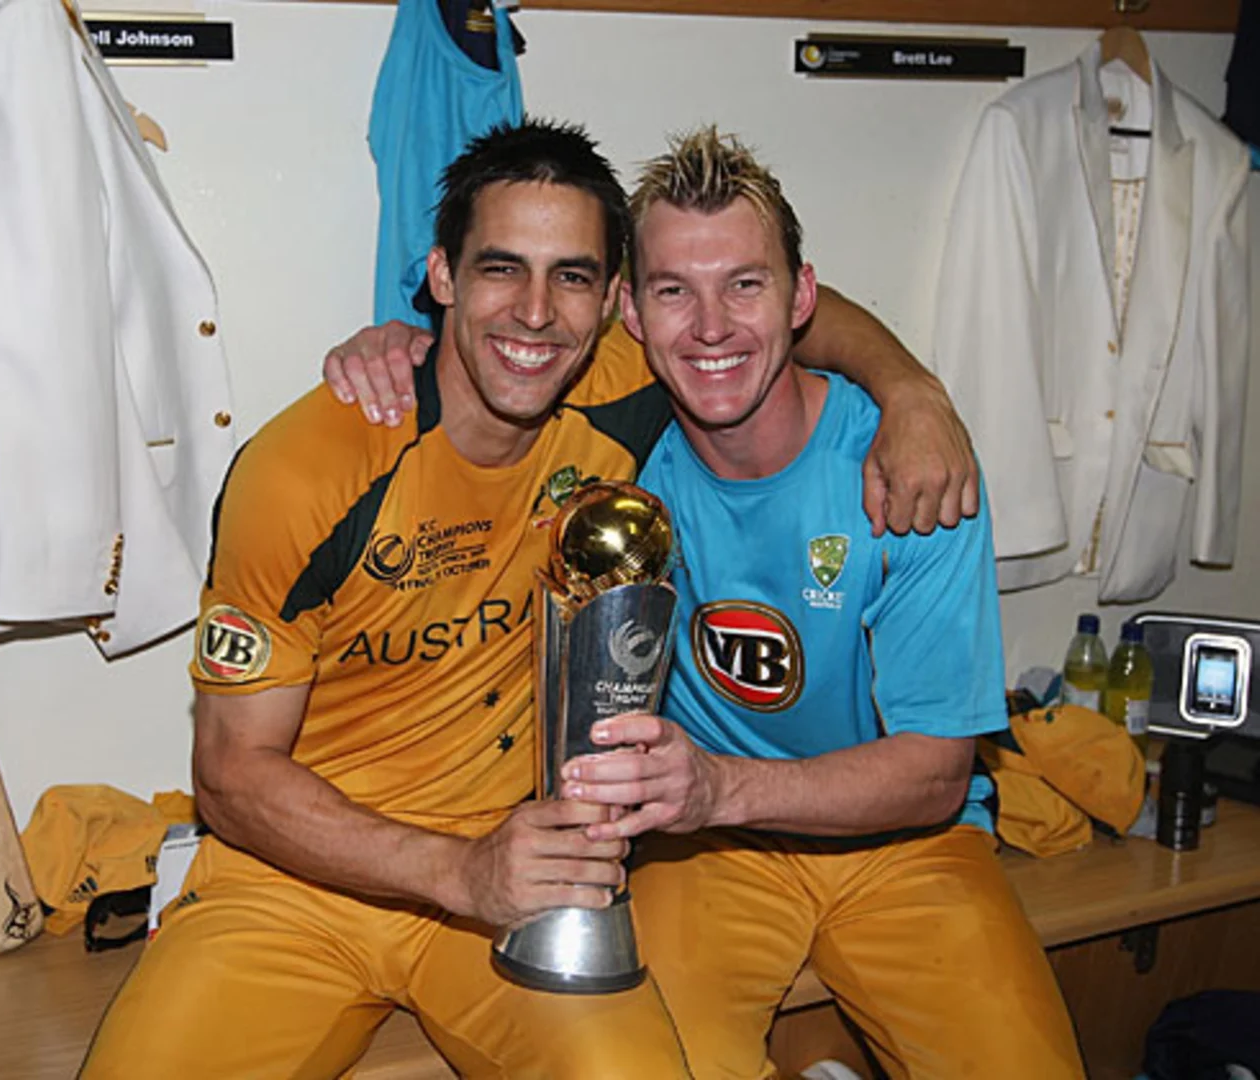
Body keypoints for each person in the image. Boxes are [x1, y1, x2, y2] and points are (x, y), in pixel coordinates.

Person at [84, 119, 976, 1079]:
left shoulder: (622, 384)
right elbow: (229, 774)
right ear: (441, 277)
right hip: (295, 884)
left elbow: (767, 304)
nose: (538, 314)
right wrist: (455, 873)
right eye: (502, 269)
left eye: (574, 277)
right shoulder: (303, 472)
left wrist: (913, 388)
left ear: (615, 305)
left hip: (525, 869)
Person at [554, 128, 1087, 1078]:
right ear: (630, 312)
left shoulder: (908, 468)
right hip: (707, 852)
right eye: (675, 290)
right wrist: (389, 351)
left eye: (746, 285)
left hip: (905, 843)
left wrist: (912, 390)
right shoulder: (611, 442)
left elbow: (932, 772)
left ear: (802, 297)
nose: (711, 326)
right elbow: (487, 348)